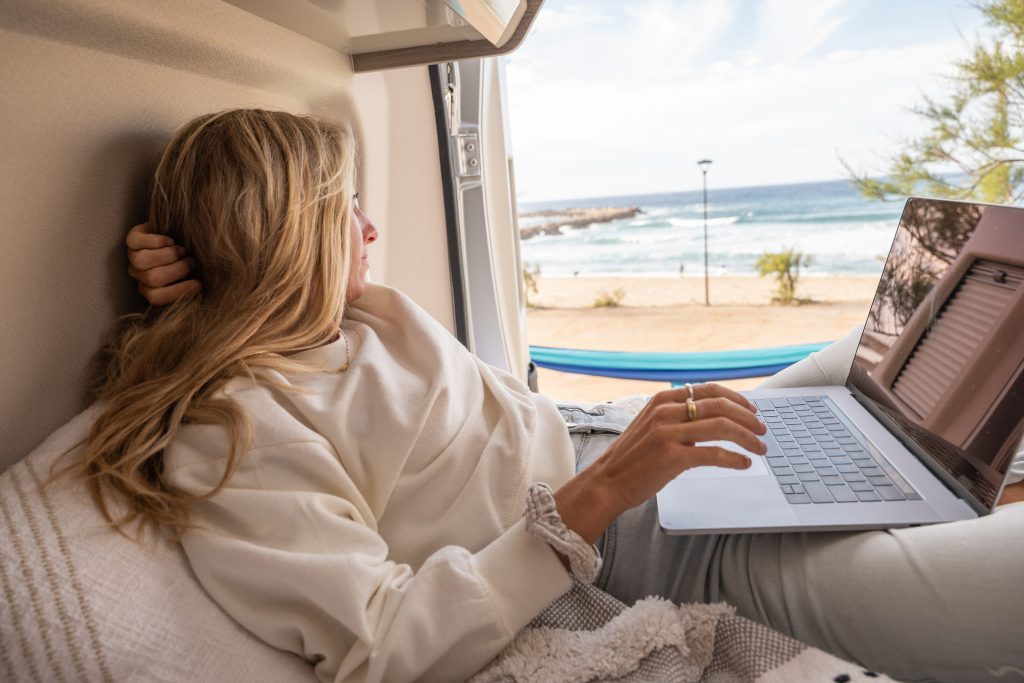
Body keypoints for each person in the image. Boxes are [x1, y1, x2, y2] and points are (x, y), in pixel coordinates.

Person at [112, 110, 1021, 683]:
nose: (372, 227)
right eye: (344, 210)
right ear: (292, 236)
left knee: (890, 356)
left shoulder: (334, 315)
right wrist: (597, 498)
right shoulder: (232, 433)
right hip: (644, 543)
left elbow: (254, 280)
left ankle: (896, 479)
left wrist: (208, 272)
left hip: (621, 446)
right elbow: (379, 649)